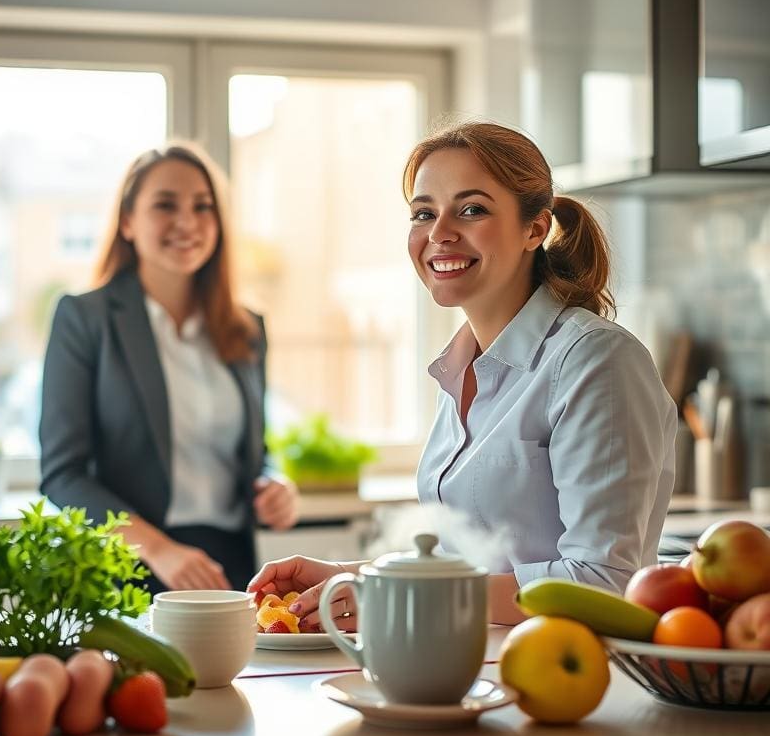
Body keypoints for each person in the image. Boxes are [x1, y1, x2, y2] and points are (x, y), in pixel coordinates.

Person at [248, 121, 677, 627]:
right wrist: (350, 577)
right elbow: (473, 567)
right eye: (424, 213)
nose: (439, 233)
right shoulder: (458, 371)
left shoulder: (595, 361)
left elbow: (605, 581)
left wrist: (396, 594)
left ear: (535, 229)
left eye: (471, 209)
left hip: (567, 679)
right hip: (463, 669)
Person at [40, 142, 299, 594]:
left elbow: (254, 453)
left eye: (203, 207)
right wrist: (158, 549)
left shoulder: (247, 328)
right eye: (165, 205)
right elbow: (64, 475)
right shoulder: (85, 319)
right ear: (127, 221)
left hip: (230, 569)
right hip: (127, 566)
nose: (187, 222)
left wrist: (274, 484)